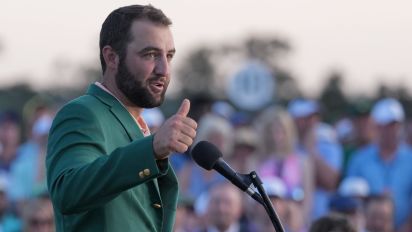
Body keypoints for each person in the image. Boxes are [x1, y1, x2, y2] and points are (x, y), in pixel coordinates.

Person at [46, 4, 198, 232]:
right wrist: (152, 149)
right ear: (112, 57)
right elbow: (68, 191)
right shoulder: (83, 113)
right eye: (150, 54)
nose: (164, 69)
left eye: (169, 56)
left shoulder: (137, 124)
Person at [346, 98, 412, 229]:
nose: (389, 131)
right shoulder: (359, 159)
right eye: (384, 126)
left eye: (393, 125)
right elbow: (351, 199)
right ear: (376, 127)